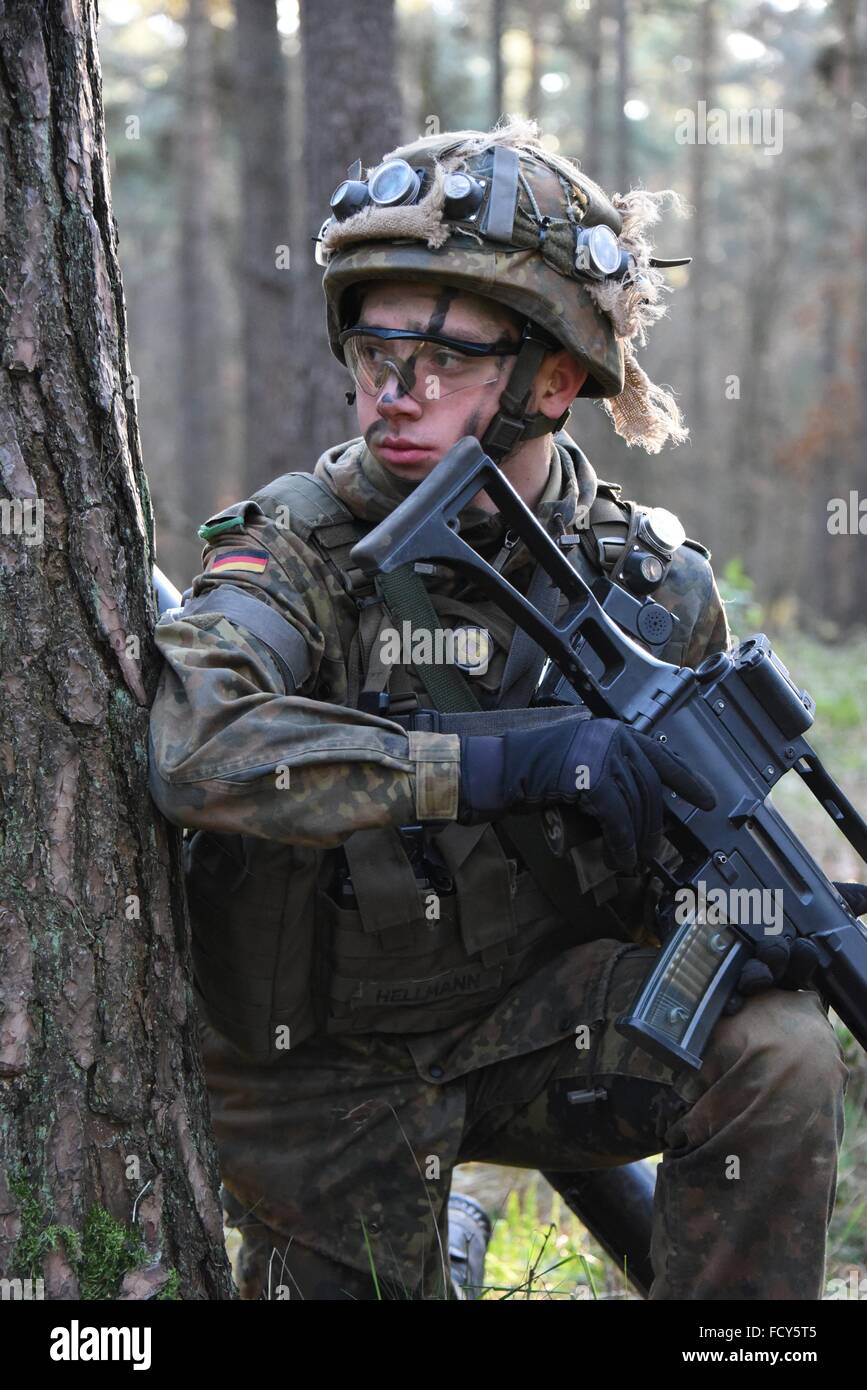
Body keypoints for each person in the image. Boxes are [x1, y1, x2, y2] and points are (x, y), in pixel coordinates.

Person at [148, 119, 854, 1301]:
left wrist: (738, 917)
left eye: (445, 361)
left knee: (778, 1049)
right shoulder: (300, 548)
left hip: (525, 1033)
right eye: (375, 354)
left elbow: (665, 869)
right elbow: (197, 747)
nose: (393, 397)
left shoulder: (655, 593)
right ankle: (452, 1242)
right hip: (312, 1072)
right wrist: (493, 764)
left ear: (557, 379)